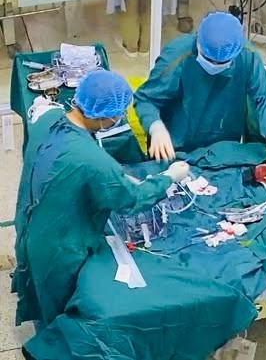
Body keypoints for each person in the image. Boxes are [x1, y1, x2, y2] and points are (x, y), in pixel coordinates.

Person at [12, 70, 190, 327]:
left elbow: (72, 169)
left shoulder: (47, 118)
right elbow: (132, 199)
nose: (119, 118)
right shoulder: (92, 160)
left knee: (39, 283)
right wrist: (170, 177)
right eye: (119, 113)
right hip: (56, 247)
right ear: (106, 118)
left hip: (30, 220)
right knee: (59, 309)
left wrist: (117, 176)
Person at [134, 11, 266, 177]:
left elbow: (263, 98)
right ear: (198, 41)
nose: (214, 65)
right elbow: (146, 99)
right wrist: (156, 127)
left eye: (222, 62)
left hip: (221, 145)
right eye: (208, 58)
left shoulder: (247, 55)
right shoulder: (177, 55)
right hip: (175, 146)